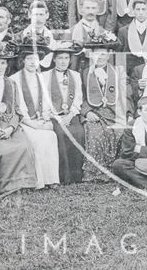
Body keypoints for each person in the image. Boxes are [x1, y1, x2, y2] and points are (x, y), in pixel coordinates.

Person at [0, 42, 37, 196]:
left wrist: (11, 128)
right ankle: (7, 186)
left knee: (25, 146)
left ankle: (23, 183)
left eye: (3, 63)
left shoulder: (12, 84)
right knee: (3, 151)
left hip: (10, 125)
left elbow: (18, 111)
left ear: (7, 65)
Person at [81, 32, 133, 182]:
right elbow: (82, 97)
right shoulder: (85, 73)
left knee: (120, 132)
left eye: (104, 54)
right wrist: (87, 112)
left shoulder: (119, 71)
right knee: (94, 133)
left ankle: (116, 171)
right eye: (97, 54)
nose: (101, 57)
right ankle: (96, 173)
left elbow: (126, 94)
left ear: (110, 54)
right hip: (95, 112)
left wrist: (128, 113)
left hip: (116, 111)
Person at [10, 42, 60, 189]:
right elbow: (18, 108)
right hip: (24, 122)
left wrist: (45, 119)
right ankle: (39, 180)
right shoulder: (14, 79)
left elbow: (46, 101)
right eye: (29, 59)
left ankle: (52, 178)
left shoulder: (42, 78)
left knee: (51, 136)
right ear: (23, 61)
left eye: (36, 59)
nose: (33, 62)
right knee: (38, 138)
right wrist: (34, 124)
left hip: (40, 120)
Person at [42, 42, 86, 184]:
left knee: (78, 133)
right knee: (60, 134)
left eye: (66, 58)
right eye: (60, 58)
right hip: (54, 116)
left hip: (71, 115)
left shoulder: (76, 75)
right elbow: (44, 100)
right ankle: (64, 176)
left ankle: (76, 176)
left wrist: (71, 115)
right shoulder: (45, 76)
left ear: (70, 60)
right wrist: (57, 117)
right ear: (54, 59)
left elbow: (78, 99)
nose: (63, 61)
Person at [117, 0, 147, 76]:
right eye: (138, 9)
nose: (140, 13)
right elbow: (120, 55)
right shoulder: (123, 31)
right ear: (133, 11)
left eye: (143, 9)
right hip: (129, 72)